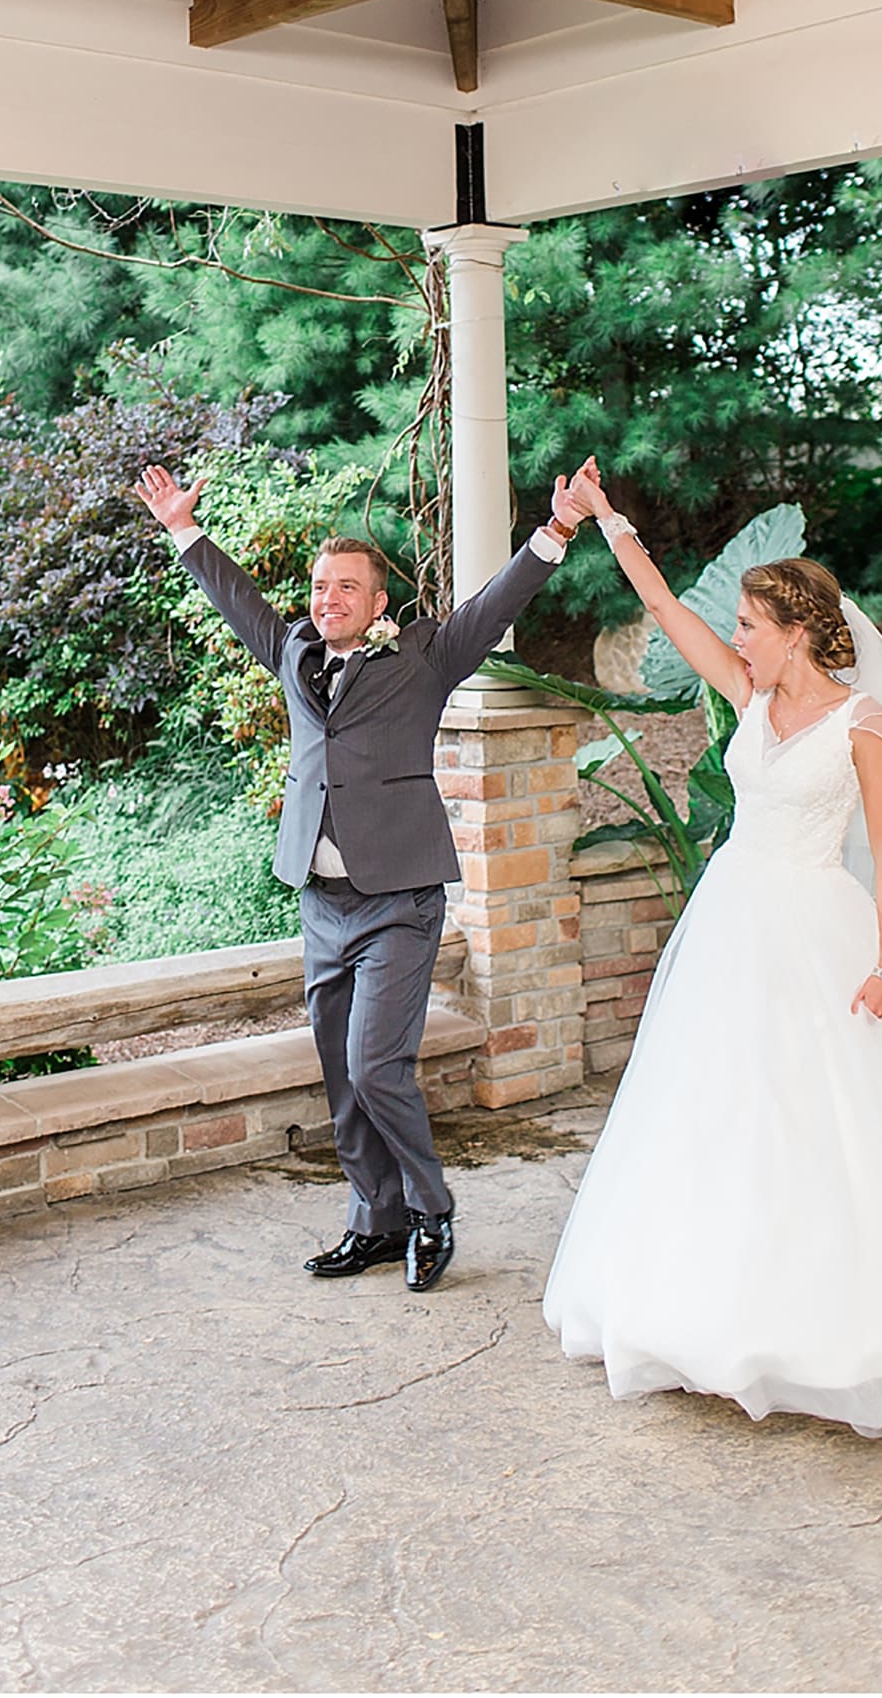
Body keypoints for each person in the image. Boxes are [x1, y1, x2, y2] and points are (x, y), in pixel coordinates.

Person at [540, 459, 882, 1436]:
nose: (736, 636)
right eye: (737, 626)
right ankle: (710, 1310)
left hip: (817, 929)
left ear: (796, 634)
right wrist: (609, 516)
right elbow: (663, 605)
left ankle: (849, 1321)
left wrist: (881, 970)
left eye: (750, 625)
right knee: (717, 1112)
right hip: (731, 925)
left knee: (834, 1116)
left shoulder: (862, 725)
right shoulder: (748, 697)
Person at [134, 461, 592, 1293]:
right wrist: (181, 528)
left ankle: (430, 1207)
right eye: (319, 585)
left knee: (379, 1065)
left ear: (380, 603)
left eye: (347, 586)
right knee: (342, 1075)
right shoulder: (295, 652)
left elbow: (496, 604)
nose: (328, 598)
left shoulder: (424, 656)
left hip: (398, 902)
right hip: (321, 903)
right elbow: (238, 600)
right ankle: (372, 1220)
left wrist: (555, 530)